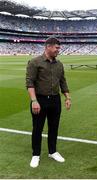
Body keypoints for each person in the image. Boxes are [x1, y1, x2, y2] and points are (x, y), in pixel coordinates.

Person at [26, 37, 71, 168]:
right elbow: (29, 82)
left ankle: (52, 151)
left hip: (55, 100)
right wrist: (34, 100)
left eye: (59, 47)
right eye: (56, 48)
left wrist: (67, 97)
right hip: (39, 99)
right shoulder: (35, 62)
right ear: (48, 47)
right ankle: (36, 154)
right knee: (37, 128)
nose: (59, 50)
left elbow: (63, 81)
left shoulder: (59, 64)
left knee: (54, 127)